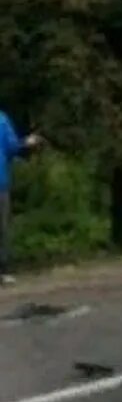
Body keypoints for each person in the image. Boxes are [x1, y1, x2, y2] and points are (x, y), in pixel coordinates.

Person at [0, 109, 42, 285]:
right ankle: (3, 270)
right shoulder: (1, 119)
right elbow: (13, 147)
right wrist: (28, 142)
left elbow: (11, 147)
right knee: (2, 226)